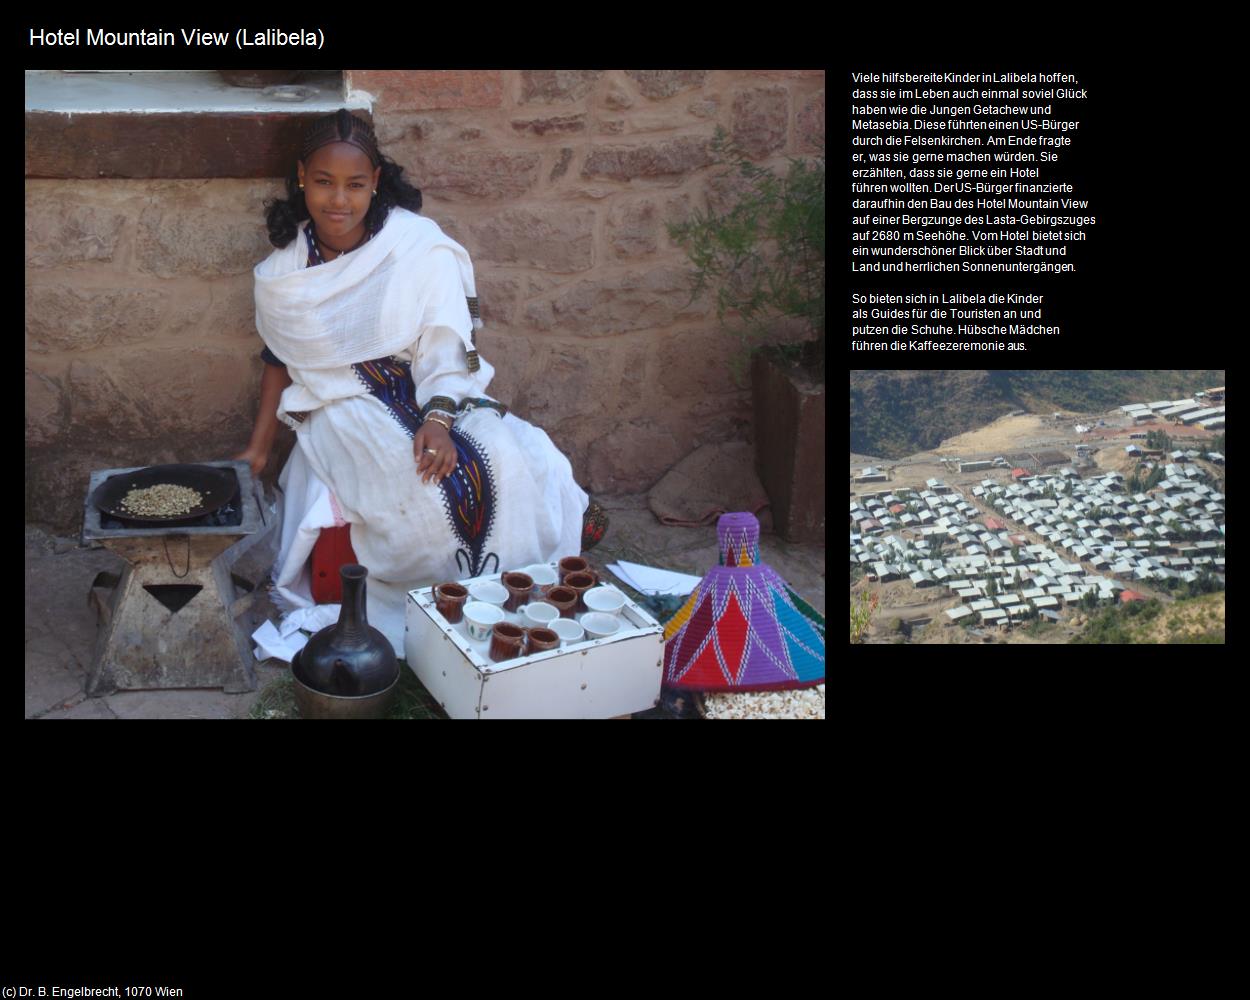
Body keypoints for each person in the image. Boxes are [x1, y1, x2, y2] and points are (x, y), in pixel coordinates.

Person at [234, 109, 603, 656]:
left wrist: (438, 419)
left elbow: (445, 341)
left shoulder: (414, 244)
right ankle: (422, 616)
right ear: (301, 178)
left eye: (355, 185)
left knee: (507, 453)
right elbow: (279, 358)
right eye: (324, 183)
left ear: (376, 182)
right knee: (411, 484)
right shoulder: (284, 273)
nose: (339, 200)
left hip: (432, 385)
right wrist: (259, 450)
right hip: (341, 398)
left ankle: (523, 590)